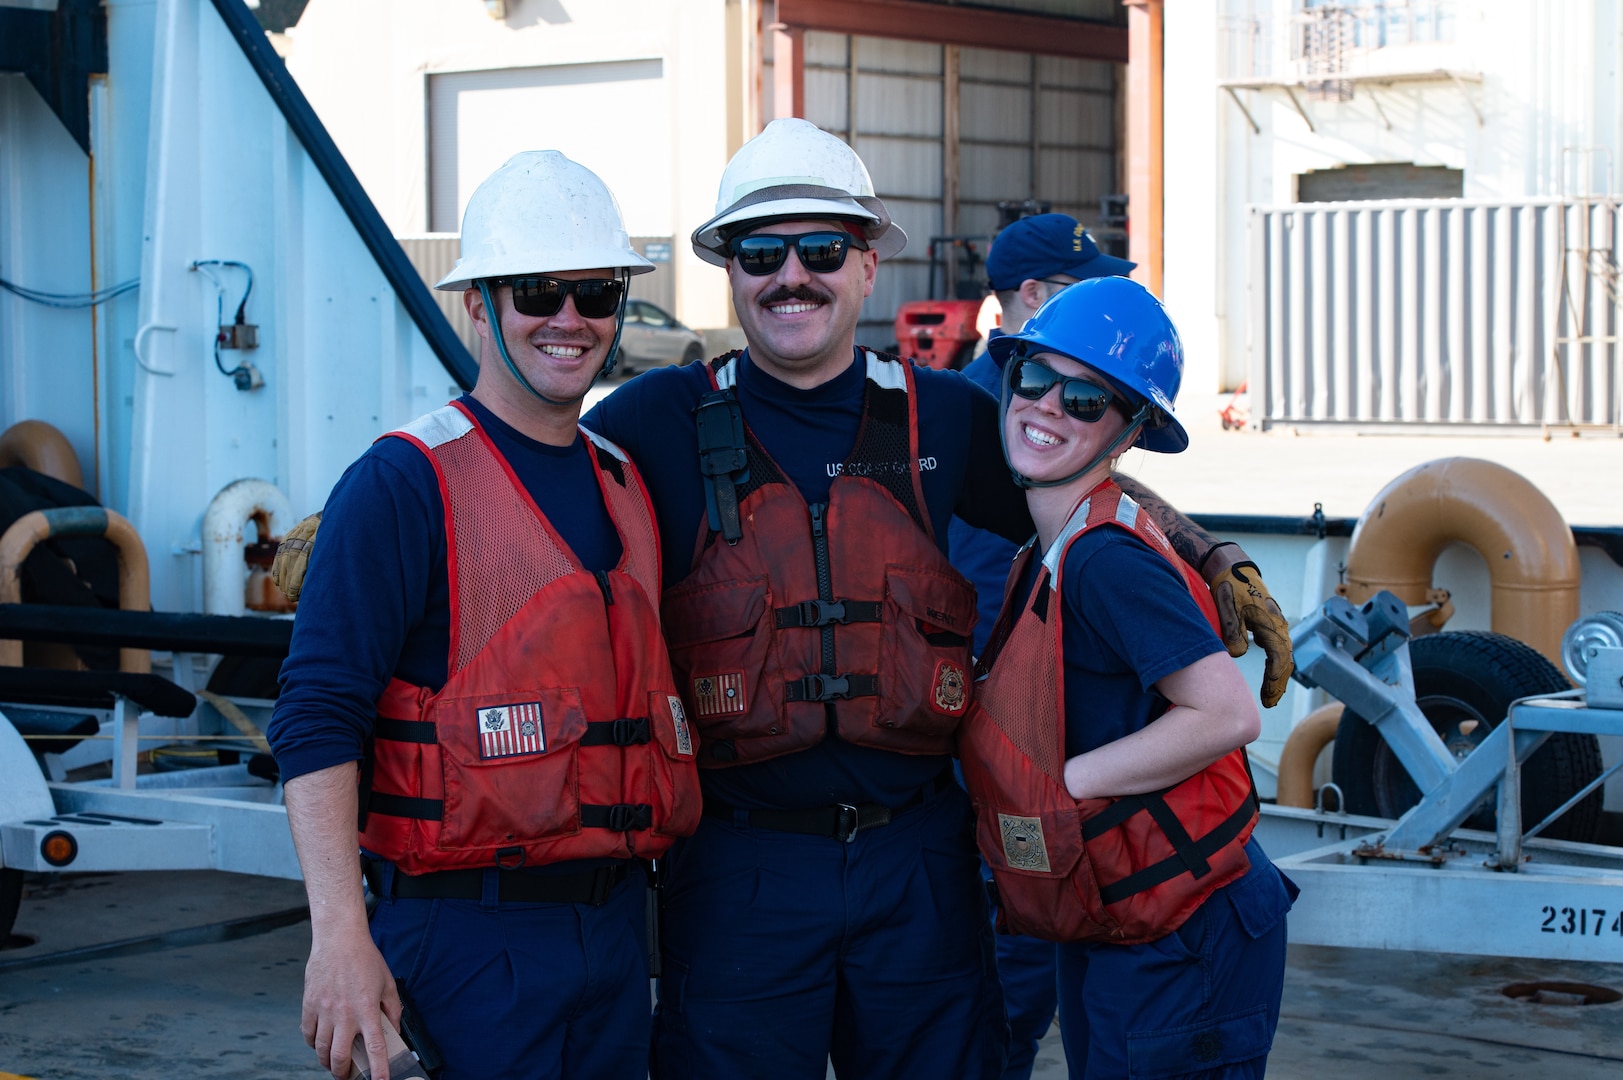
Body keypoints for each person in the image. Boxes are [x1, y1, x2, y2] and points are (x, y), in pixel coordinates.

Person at [582, 118, 1294, 1079]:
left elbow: (1088, 471)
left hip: (918, 866)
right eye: (761, 252)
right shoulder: (649, 421)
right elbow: (523, 486)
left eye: (823, 248)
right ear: (730, 270)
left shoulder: (950, 417)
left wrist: (1211, 552)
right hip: (738, 873)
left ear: (867, 265)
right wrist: (366, 512)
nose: (792, 274)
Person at [266, 151, 702, 1080]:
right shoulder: (404, 482)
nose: (569, 319)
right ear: (478, 305)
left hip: (617, 926)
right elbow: (314, 716)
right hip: (466, 931)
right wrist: (339, 936)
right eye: (538, 291)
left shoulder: (624, 483)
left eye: (595, 291)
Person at [960, 277, 1297, 1079]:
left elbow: (1223, 714)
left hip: (1186, 927)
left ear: (1130, 429)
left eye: (1084, 401)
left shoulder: (1104, 559)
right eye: (1034, 380)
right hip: (1123, 911)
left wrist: (1056, 783)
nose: (1045, 408)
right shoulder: (1056, 540)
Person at [948, 212, 1136, 1080]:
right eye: (1087, 284)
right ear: (1030, 299)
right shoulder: (1001, 417)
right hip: (1006, 741)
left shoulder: (1027, 402)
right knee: (1010, 987)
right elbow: (995, 595)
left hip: (1011, 750)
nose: (1111, 300)